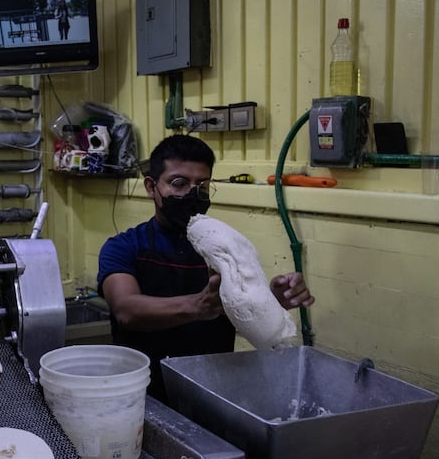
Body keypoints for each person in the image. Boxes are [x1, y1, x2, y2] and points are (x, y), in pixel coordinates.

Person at [97, 135, 314, 400]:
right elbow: (126, 310)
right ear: (151, 187)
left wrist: (272, 299)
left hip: (212, 390)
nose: (191, 194)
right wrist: (197, 306)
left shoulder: (223, 246)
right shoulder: (124, 246)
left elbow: (241, 305)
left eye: (202, 185)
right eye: (178, 184)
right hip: (142, 393)